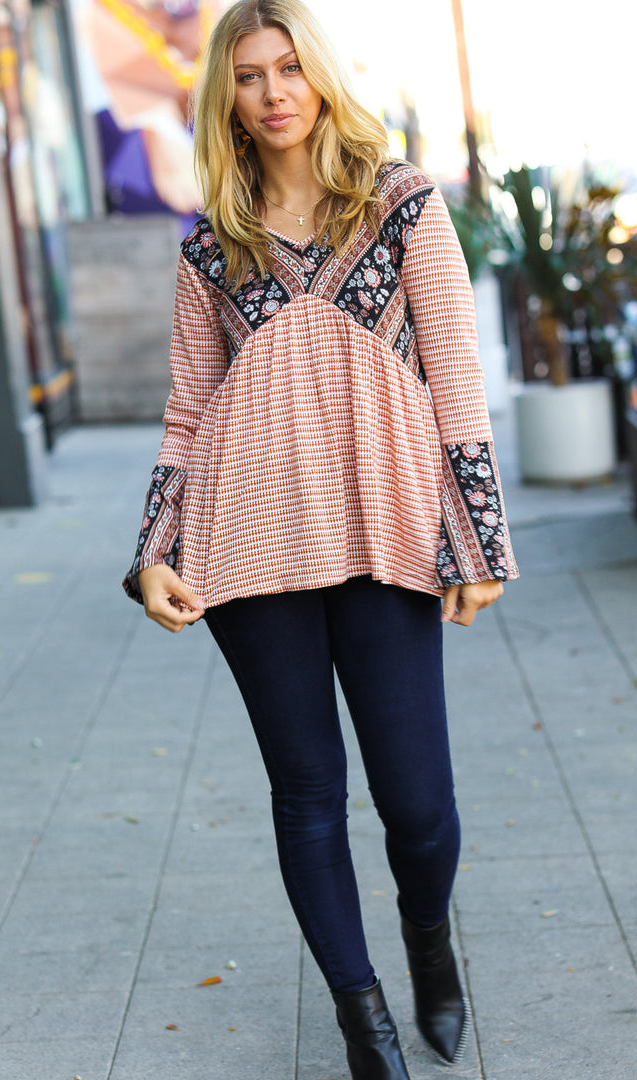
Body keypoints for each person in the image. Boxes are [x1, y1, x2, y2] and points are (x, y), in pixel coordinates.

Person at [123, 1, 519, 1076]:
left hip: (384, 529)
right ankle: (365, 1021)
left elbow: (460, 379)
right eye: (248, 76)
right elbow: (188, 409)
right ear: (228, 98)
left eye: (290, 68)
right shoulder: (213, 242)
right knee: (305, 794)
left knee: (418, 807)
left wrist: (478, 538)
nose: (273, 92)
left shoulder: (399, 207)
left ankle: (428, 941)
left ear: (323, 77)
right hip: (246, 545)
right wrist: (154, 549)